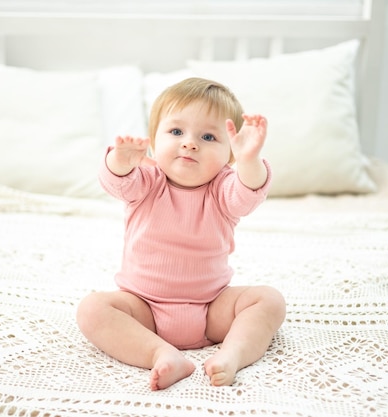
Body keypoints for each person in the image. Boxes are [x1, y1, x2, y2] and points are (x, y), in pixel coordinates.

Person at [76, 77, 286, 391]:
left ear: (229, 153)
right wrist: (119, 160)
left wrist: (248, 161)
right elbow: (116, 182)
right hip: (143, 308)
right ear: (153, 141)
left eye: (208, 136)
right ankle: (161, 353)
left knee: (269, 301)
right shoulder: (146, 179)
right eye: (176, 132)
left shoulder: (224, 188)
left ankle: (232, 353)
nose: (190, 143)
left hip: (211, 308)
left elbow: (248, 192)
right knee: (92, 309)